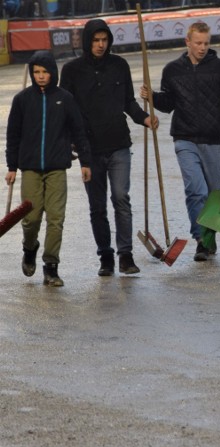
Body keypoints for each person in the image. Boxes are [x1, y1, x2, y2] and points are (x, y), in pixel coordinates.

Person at [60, 18, 156, 276]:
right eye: (96, 40)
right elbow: (65, 112)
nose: (101, 45)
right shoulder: (71, 71)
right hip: (89, 149)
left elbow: (129, 102)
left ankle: (126, 255)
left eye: (104, 40)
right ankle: (106, 257)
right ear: (87, 40)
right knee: (97, 206)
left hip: (118, 144)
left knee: (121, 198)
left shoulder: (119, 65)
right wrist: (67, 142)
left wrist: (145, 118)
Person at [140, 21, 220, 262]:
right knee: (196, 190)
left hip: (213, 139)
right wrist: (151, 97)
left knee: (214, 193)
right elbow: (168, 103)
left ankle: (210, 239)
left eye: (206, 43)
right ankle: (201, 239)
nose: (202, 48)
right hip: (184, 138)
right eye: (198, 43)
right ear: (188, 42)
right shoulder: (172, 70)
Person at [5, 51, 92, 287]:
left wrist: (85, 161)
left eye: (45, 72)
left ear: (53, 73)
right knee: (31, 218)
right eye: (37, 72)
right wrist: (12, 166)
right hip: (30, 168)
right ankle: (29, 247)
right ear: (32, 74)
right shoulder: (22, 100)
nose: (41, 76)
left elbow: (78, 130)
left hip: (56, 168)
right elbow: (13, 135)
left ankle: (51, 266)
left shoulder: (65, 98)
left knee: (56, 218)